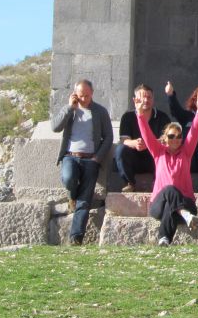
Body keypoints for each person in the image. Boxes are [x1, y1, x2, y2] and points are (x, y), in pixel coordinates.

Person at [138, 94, 198, 245]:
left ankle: (164, 239)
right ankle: (183, 213)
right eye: (171, 136)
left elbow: (194, 132)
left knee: (170, 210)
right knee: (170, 189)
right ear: (165, 138)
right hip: (159, 204)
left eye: (178, 136)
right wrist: (140, 115)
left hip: (186, 202)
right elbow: (147, 135)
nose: (175, 139)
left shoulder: (186, 152)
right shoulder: (158, 152)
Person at [52, 79, 114, 246]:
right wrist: (68, 108)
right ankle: (72, 196)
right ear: (75, 94)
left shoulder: (100, 111)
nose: (84, 99)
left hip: (90, 159)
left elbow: (108, 136)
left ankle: (76, 237)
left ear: (92, 93)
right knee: (68, 178)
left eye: (87, 95)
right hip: (70, 156)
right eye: (80, 96)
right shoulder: (70, 110)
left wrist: (97, 157)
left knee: (85, 200)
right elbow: (55, 127)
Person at [114, 84, 170, 193]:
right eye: (142, 97)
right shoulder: (128, 116)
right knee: (120, 149)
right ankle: (129, 183)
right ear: (135, 100)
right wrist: (134, 143)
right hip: (135, 157)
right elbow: (124, 140)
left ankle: (157, 183)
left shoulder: (162, 117)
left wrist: (150, 143)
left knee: (166, 151)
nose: (146, 100)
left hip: (154, 158)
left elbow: (166, 140)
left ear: (153, 99)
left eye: (149, 97)